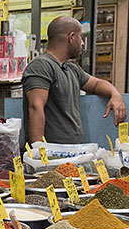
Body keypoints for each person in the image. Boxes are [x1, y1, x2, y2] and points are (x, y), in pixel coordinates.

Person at [23, 15, 126, 144]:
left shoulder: (70, 68)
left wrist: (115, 94)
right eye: (80, 37)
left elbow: (97, 84)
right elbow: (35, 108)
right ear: (71, 37)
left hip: (71, 153)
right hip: (52, 155)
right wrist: (39, 153)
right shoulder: (41, 66)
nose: (82, 43)